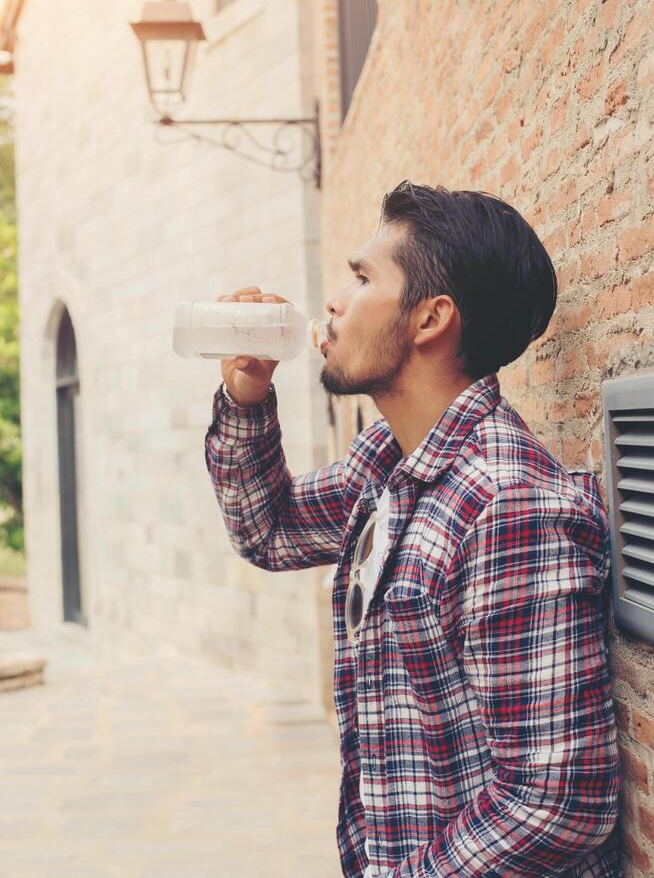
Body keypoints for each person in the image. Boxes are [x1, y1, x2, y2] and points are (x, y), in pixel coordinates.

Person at [204, 180, 622, 877]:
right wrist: (247, 392)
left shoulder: (507, 505)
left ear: (431, 319)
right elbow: (268, 529)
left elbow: (553, 803)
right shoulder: (391, 464)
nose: (334, 300)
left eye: (362, 277)